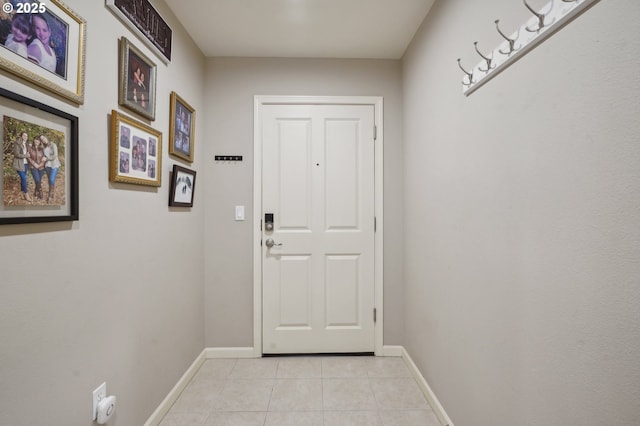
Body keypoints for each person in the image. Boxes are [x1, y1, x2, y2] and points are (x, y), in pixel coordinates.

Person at [12, 131, 32, 202]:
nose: (25, 137)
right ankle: (26, 194)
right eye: (24, 136)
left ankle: (21, 192)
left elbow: (30, 150)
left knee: (22, 178)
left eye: (26, 136)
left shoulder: (26, 144)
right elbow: (16, 154)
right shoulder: (17, 143)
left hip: (26, 164)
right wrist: (26, 155)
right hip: (19, 164)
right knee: (23, 178)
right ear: (21, 136)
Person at [41, 135, 61, 203]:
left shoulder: (53, 145)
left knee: (52, 179)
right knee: (50, 180)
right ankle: (52, 191)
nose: (43, 140)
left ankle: (50, 195)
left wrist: (46, 158)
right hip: (47, 166)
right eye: (42, 139)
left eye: (43, 138)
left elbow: (55, 155)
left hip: (54, 165)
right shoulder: (43, 147)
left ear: (46, 137)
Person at [28, 136, 46, 200]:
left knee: (38, 181)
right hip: (33, 167)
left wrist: (39, 165)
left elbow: (44, 158)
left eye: (38, 140)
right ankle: (40, 191)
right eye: (35, 140)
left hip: (41, 167)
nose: (36, 141)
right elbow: (28, 157)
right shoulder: (30, 147)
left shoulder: (42, 149)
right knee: (37, 180)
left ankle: (36, 192)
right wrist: (34, 164)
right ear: (33, 140)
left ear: (40, 142)